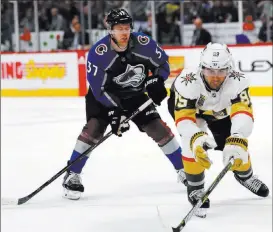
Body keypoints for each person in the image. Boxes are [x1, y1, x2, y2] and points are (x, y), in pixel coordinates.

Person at [62, 8, 186, 200]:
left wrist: (157, 81)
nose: (124, 32)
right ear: (110, 29)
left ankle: (184, 168)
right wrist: (115, 112)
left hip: (135, 94)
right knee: (94, 128)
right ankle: (72, 173)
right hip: (104, 97)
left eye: (127, 28)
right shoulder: (98, 53)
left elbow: (163, 64)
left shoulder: (143, 44)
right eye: (119, 28)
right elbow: (98, 89)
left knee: (157, 127)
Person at [168, 42, 269, 217]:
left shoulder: (238, 80)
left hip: (219, 112)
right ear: (201, 68)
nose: (215, 77)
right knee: (191, 142)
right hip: (191, 111)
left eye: (221, 71)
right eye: (209, 71)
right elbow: (184, 120)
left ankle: (245, 175)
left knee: (236, 145)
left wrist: (238, 137)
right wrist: (196, 138)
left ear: (229, 69)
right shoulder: (187, 81)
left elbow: (243, 113)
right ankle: (195, 187)